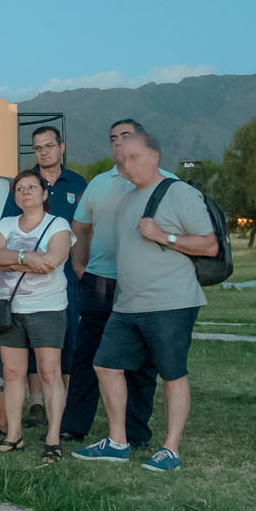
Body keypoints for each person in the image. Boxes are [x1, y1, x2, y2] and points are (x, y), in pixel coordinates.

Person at [75, 133, 216, 472]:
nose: (126, 166)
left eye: (134, 157)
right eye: (121, 161)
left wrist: (163, 236)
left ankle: (170, 449)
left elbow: (209, 245)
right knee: (106, 365)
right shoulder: (127, 202)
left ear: (154, 157)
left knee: (171, 373)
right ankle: (117, 441)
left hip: (171, 302)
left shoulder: (179, 192)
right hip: (128, 304)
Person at [59, 119, 166, 448]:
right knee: (87, 355)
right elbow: (81, 227)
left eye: (126, 137)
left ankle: (135, 434)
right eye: (113, 139)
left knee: (141, 364)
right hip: (100, 281)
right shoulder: (99, 183)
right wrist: (79, 264)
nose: (119, 143)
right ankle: (74, 425)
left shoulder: (166, 185)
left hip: (145, 286)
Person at [0, 170, 73, 462]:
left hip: (46, 307)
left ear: (44, 194)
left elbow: (51, 261)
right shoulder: (7, 223)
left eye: (32, 187)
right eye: (20, 188)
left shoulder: (57, 224)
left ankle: (53, 438)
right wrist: (25, 259)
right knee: (12, 374)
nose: (26, 193)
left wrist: (12, 263)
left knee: (49, 373)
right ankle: (13, 436)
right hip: (10, 306)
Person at [0, 127, 87, 410]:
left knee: (64, 341)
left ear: (62, 147)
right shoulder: (24, 184)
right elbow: (4, 235)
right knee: (29, 342)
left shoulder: (78, 183)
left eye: (49, 145)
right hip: (25, 280)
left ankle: (62, 403)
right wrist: (24, 261)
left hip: (68, 275)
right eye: (38, 148)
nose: (44, 151)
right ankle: (36, 402)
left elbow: (85, 230)